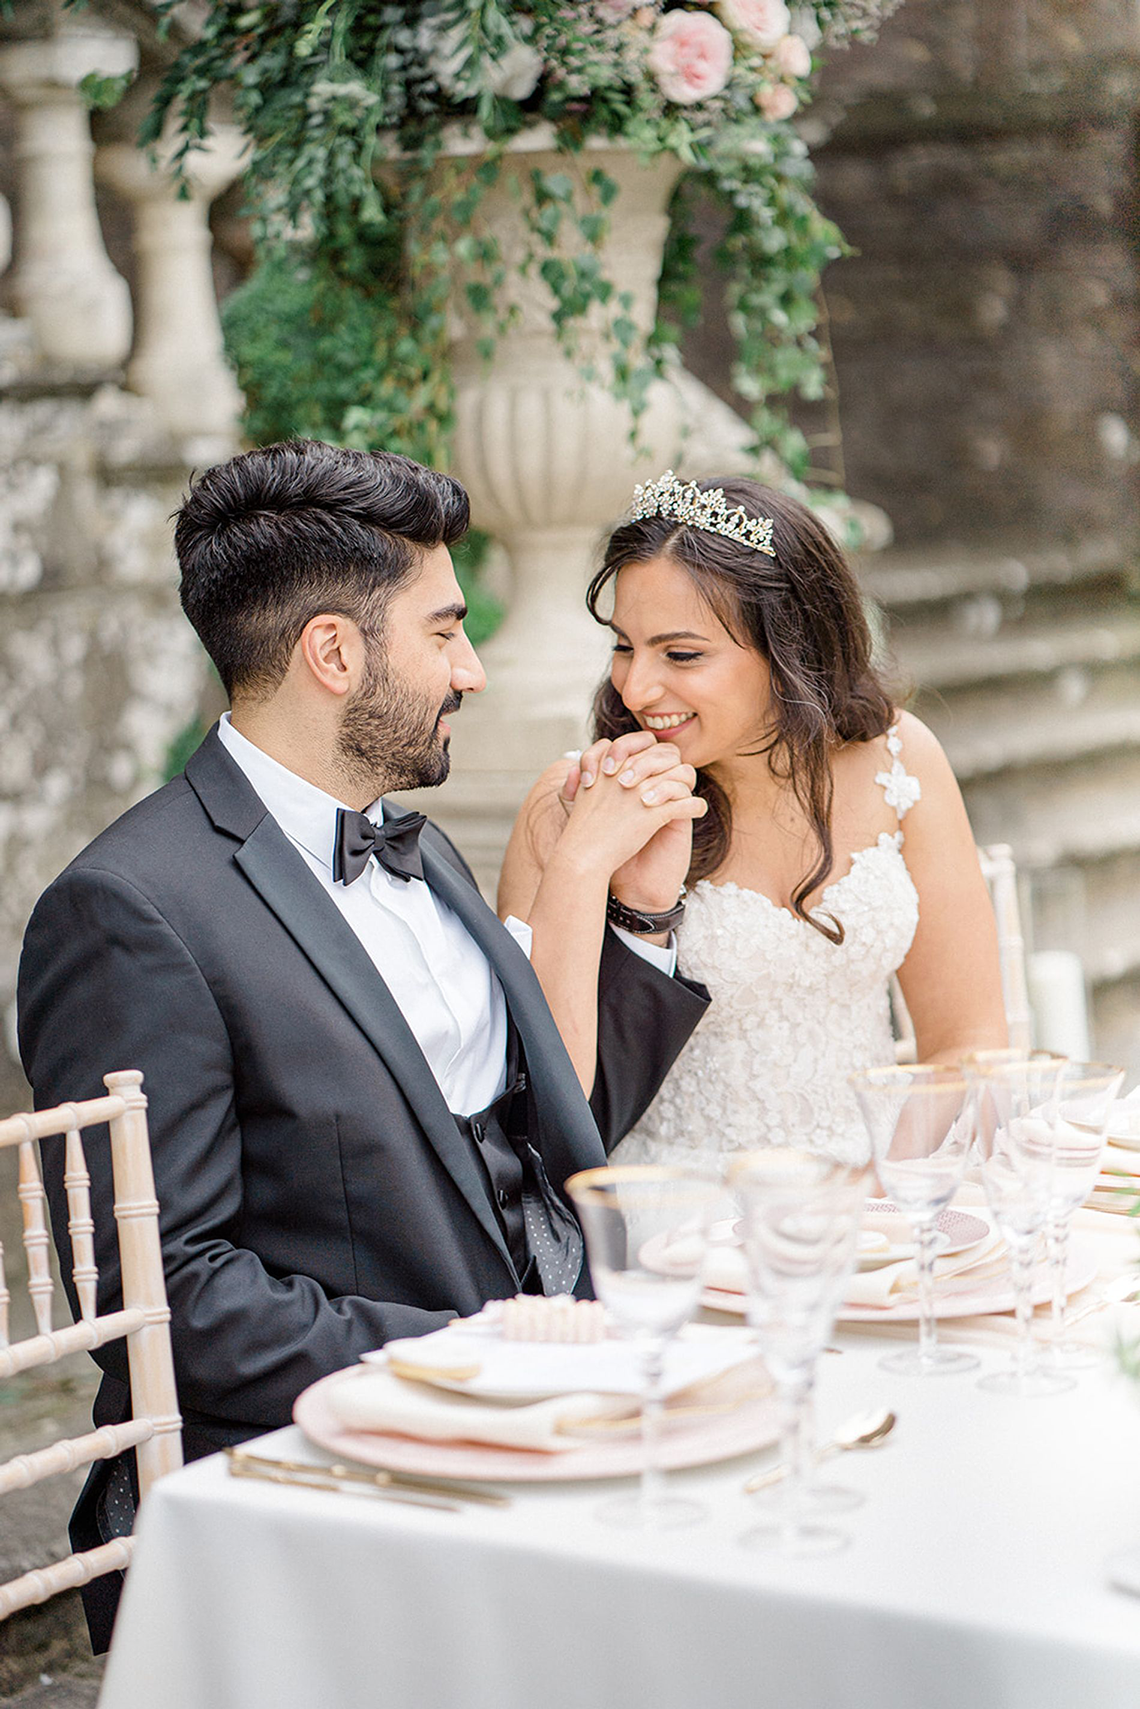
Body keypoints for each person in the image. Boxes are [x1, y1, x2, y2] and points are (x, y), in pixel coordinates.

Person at [17, 441, 710, 1649]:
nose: (475, 669)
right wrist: (479, 1349)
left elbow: (540, 1132)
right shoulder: (131, 909)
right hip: (337, 1492)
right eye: (444, 631)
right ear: (333, 654)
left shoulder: (413, 843)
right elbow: (165, 1300)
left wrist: (636, 914)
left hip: (549, 1423)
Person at [499, 470, 1008, 1171]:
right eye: (624, 646)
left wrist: (888, 1195)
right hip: (672, 1227)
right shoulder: (571, 805)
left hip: (874, 1207)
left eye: (681, 654)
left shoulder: (901, 757)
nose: (636, 687)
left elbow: (968, 1040)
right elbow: (542, 1107)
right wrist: (586, 865)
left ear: (789, 647)